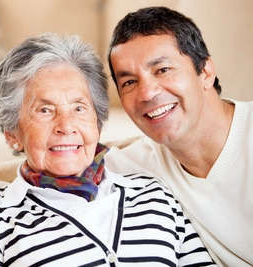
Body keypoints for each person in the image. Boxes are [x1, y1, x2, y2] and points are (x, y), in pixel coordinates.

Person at [0, 33, 216, 266]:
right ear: (12, 133)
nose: (66, 126)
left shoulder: (155, 195)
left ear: (98, 122)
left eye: (79, 108)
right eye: (45, 110)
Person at [106, 6, 253, 267]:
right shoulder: (135, 165)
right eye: (129, 82)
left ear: (206, 72)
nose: (147, 93)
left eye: (162, 70)